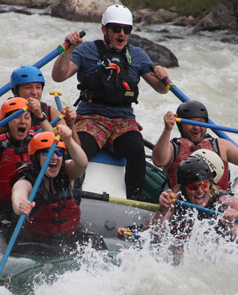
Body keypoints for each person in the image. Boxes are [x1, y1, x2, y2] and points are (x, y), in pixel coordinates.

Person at [51, 4, 170, 200]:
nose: (121, 33)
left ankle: (134, 201)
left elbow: (162, 88)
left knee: (136, 147)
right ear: (104, 30)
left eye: (126, 30)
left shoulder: (138, 56)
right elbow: (59, 76)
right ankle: (71, 197)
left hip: (123, 120)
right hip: (91, 118)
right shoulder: (87, 50)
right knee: (77, 150)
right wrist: (68, 51)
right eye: (116, 29)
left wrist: (163, 77)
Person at [143, 156, 238, 264]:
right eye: (193, 187)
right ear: (183, 188)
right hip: (194, 265)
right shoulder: (176, 204)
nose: (200, 191)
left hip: (233, 258)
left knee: (236, 229)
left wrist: (237, 218)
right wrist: (162, 210)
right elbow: (148, 232)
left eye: (205, 185)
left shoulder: (223, 200)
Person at [152, 100, 238, 191]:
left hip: (218, 208)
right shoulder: (172, 147)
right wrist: (167, 129)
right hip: (183, 207)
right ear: (180, 125)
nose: (196, 127)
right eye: (190, 123)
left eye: (201, 123)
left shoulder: (222, 146)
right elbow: (158, 160)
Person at [11, 128, 88, 243]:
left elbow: (82, 163)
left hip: (66, 239)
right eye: (48, 152)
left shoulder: (66, 172)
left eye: (58, 152)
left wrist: (68, 139)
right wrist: (20, 205)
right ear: (36, 158)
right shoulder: (26, 181)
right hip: (36, 244)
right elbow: (18, 194)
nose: (54, 157)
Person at [0, 65, 78, 146]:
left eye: (38, 87)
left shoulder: (52, 113)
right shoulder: (2, 116)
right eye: (28, 88)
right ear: (15, 91)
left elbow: (74, 150)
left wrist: (71, 125)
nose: (34, 92)